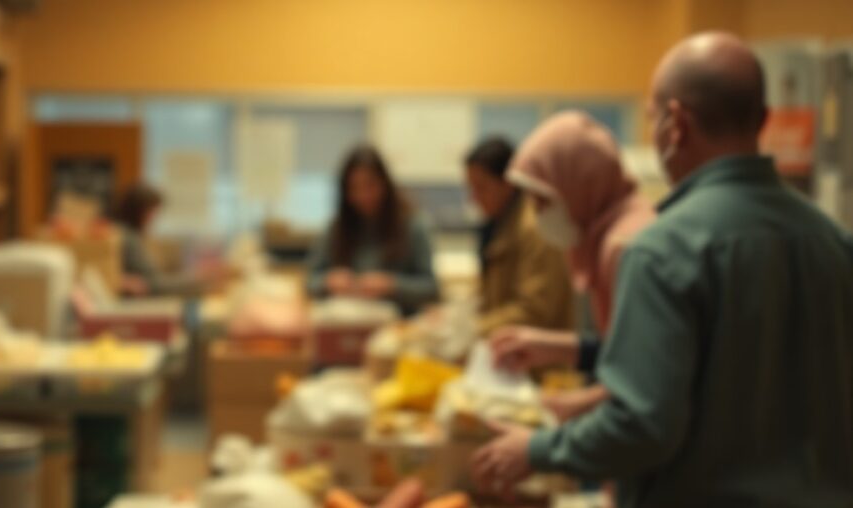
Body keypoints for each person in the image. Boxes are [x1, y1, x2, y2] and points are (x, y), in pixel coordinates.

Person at [472, 32, 853, 507]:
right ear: (763, 119)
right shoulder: (834, 241)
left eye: (651, 119)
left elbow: (643, 425)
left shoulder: (664, 248)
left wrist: (540, 449)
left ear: (675, 124)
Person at [488, 112, 656, 420]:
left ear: (577, 185)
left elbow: (644, 385)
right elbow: (621, 350)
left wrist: (549, 438)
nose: (537, 215)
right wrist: (557, 347)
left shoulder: (625, 246)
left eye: (543, 200)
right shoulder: (605, 233)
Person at [306, 145, 440, 315]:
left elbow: (431, 289)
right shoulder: (336, 228)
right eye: (354, 188)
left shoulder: (413, 225)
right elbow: (309, 282)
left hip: (398, 327)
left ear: (385, 184)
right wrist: (329, 281)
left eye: (370, 186)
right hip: (347, 322)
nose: (363, 196)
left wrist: (391, 285)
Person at [463, 137, 574, 337]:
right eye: (471, 188)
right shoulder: (500, 223)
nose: (474, 198)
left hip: (541, 361)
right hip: (511, 354)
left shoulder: (535, 229)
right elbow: (491, 294)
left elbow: (535, 309)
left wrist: (474, 329)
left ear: (507, 184)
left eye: (481, 187)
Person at [111, 183, 170, 297]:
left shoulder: (126, 233)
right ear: (138, 211)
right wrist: (198, 280)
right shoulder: (127, 237)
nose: (154, 217)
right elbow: (153, 283)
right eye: (152, 212)